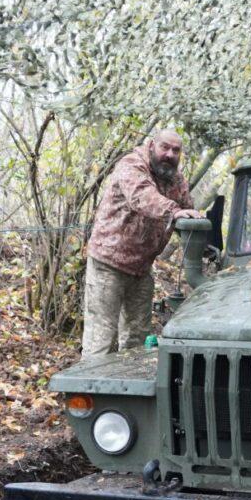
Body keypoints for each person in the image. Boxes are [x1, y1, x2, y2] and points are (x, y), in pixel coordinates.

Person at [81, 129, 204, 358]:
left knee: (138, 341)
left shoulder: (176, 180)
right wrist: (174, 212)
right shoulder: (132, 165)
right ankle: (92, 394)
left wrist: (201, 240)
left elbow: (188, 212)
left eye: (175, 150)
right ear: (151, 146)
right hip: (108, 264)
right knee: (101, 340)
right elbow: (142, 197)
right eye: (164, 147)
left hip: (141, 268)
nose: (169, 154)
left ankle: (127, 392)